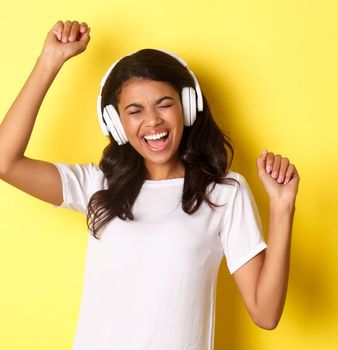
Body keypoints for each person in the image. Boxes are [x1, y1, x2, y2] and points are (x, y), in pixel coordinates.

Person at [0, 20, 299, 349]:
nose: (153, 121)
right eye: (135, 110)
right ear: (116, 123)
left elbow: (266, 314)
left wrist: (282, 208)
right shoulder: (97, 186)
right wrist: (50, 59)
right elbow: (5, 162)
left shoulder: (224, 194)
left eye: (165, 104)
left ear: (187, 107)